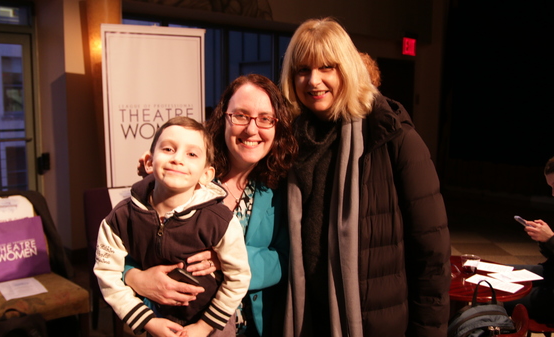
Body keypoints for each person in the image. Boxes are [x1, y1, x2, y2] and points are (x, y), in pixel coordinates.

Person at [279, 17, 451, 336]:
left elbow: (432, 254)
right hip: (306, 320)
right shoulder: (287, 143)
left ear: (347, 68)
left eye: (326, 67)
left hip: (376, 325)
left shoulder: (393, 138)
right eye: (303, 70)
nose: (313, 80)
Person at [127, 74, 298, 337]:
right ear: (223, 119)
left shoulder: (280, 188)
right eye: (240, 115)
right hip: (178, 327)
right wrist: (136, 279)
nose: (252, 130)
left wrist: (228, 260)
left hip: (253, 328)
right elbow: (123, 250)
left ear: (277, 127)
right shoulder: (187, 175)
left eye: (265, 119)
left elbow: (286, 258)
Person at [94, 116, 252, 337]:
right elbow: (106, 272)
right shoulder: (120, 218)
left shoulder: (220, 220)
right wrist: (147, 321)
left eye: (192, 154)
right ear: (149, 162)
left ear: (206, 175)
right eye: (168, 149)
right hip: (156, 319)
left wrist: (203, 327)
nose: (178, 159)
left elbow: (238, 277)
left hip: (212, 324)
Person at [504, 155, 554, 324]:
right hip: (550, 272)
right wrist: (543, 239)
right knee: (502, 274)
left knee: (499, 297)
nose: (553, 194)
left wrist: (551, 239)